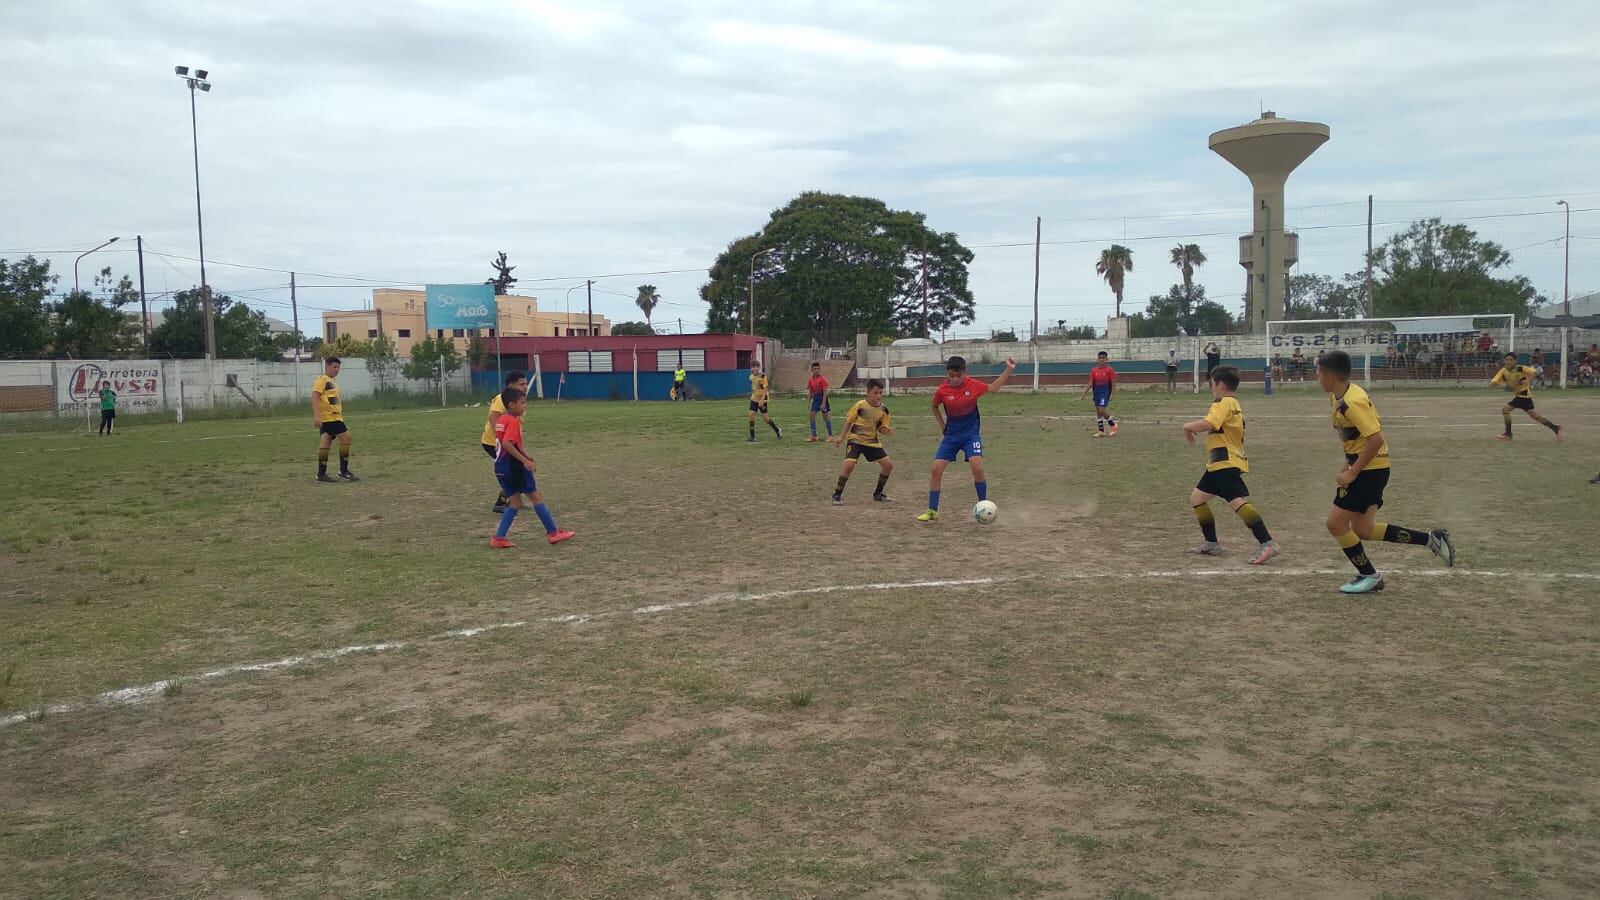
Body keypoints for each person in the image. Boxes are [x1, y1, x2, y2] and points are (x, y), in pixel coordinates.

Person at [1317, 350, 1454, 594]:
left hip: (1369, 470)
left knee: (1335, 524)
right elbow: (1356, 438)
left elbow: (1376, 438)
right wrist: (1347, 462)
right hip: (1372, 468)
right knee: (1363, 529)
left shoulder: (1352, 402)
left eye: (1318, 372)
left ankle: (1369, 575)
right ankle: (1430, 539)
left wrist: (1352, 472)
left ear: (1329, 376)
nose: (1316, 377)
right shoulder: (1339, 396)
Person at [1181, 365, 1278, 565]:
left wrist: (1187, 426)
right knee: (1197, 498)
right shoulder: (1234, 403)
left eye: (1212, 384)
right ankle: (1211, 543)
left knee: (1236, 502)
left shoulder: (1222, 402)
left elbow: (1211, 423)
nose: (1211, 388)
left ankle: (1267, 542)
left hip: (1224, 461)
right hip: (1219, 461)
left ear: (1221, 384)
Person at [917, 355, 1016, 523]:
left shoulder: (973, 385)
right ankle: (932, 510)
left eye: (958, 375)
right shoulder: (942, 390)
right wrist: (942, 426)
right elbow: (934, 406)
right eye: (951, 376)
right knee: (936, 469)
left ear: (965, 373)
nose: (955, 379)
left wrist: (1008, 370)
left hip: (970, 435)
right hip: (951, 436)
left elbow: (993, 388)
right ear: (947, 375)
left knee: (977, 466)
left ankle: (983, 504)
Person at [490, 388, 575, 548]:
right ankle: (553, 533)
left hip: (500, 466)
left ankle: (498, 538)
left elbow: (506, 443)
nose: (525, 406)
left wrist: (525, 454)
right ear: (511, 404)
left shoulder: (502, 420)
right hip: (514, 467)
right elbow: (508, 444)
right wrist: (524, 461)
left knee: (514, 503)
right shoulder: (514, 421)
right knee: (536, 497)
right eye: (522, 403)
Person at [831, 378, 894, 504]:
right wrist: (841, 437)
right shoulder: (860, 405)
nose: (878, 396)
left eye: (881, 393)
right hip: (855, 439)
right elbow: (849, 421)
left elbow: (881, 427)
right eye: (875, 393)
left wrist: (886, 431)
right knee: (849, 464)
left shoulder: (884, 410)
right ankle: (837, 494)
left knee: (888, 465)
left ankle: (878, 493)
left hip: (871, 441)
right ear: (868, 392)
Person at [481, 370, 529, 513]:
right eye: (521, 384)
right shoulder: (502, 399)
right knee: (514, 470)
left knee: (519, 469)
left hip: (509, 442)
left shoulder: (518, 401)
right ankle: (502, 503)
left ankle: (515, 502)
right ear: (510, 385)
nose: (525, 387)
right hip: (494, 443)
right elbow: (493, 418)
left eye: (526, 383)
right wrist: (501, 442)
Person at [1491, 352, 1564, 442]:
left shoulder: (1520, 368)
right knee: (1535, 416)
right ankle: (1556, 428)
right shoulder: (1503, 371)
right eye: (1506, 360)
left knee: (1505, 409)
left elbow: (1534, 372)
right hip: (1524, 396)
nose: (1508, 362)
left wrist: (1527, 380)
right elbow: (1494, 381)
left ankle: (1508, 434)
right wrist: (1492, 384)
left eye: (1511, 360)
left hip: (1523, 395)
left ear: (1515, 361)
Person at [312, 357, 357, 483]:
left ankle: (321, 474)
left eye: (338, 367)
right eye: (334, 367)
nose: (337, 370)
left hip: (334, 416)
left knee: (325, 442)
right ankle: (343, 471)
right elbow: (315, 396)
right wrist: (317, 416)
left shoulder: (332, 382)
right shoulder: (323, 380)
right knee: (346, 438)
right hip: (330, 417)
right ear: (327, 366)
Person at [1080, 351, 1118, 437]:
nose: (1102, 360)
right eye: (1100, 358)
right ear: (1097, 359)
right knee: (1098, 412)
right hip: (1096, 391)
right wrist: (1084, 392)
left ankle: (1113, 425)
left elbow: (1113, 383)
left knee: (1102, 410)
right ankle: (1101, 431)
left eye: (1103, 358)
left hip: (1105, 392)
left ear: (1107, 359)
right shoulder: (1094, 370)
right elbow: (1090, 382)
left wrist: (1112, 394)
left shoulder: (1110, 370)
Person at [746, 364, 781, 442]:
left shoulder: (762, 376)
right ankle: (752, 437)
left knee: (765, 419)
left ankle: (777, 430)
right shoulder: (751, 376)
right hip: (754, 398)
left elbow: (765, 389)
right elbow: (753, 385)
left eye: (757, 366)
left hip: (762, 399)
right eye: (753, 366)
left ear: (759, 367)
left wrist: (762, 400)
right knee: (751, 415)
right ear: (751, 368)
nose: (755, 368)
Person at [805, 362, 834, 443]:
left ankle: (830, 435)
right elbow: (810, 392)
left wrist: (823, 403)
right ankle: (814, 436)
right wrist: (809, 402)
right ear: (812, 370)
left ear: (820, 369)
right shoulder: (810, 380)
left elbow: (825, 392)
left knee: (825, 417)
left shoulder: (822, 379)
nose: (816, 370)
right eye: (815, 369)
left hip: (822, 398)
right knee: (811, 416)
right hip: (815, 399)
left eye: (818, 369)